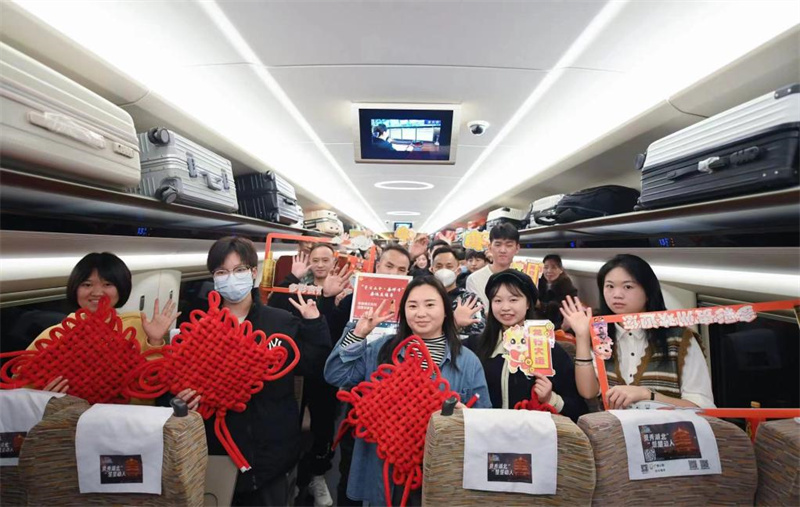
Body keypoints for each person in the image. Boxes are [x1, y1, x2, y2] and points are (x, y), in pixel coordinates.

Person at [175, 237, 332, 506]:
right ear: (214, 279)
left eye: (239, 270)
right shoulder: (199, 326)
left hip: (272, 449)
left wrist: (315, 324)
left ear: (253, 273)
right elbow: (180, 379)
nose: (230, 278)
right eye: (222, 272)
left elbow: (313, 366)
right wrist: (182, 399)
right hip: (217, 448)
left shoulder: (280, 322)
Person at [324, 276, 491, 506]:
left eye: (430, 304)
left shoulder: (468, 362)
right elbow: (336, 375)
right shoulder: (381, 349)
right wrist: (358, 334)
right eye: (412, 306)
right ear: (403, 312)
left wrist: (466, 418)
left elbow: (484, 420)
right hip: (384, 464)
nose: (421, 313)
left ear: (446, 311)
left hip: (437, 468)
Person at [561, 254, 715, 409]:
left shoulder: (680, 339)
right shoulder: (601, 335)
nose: (617, 295)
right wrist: (582, 336)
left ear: (647, 292)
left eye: (628, 287)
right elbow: (588, 392)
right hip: (616, 424)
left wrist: (648, 395)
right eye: (610, 286)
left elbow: (702, 407)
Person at [33, 252, 177, 398]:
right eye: (87, 284)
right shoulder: (55, 335)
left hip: (131, 410)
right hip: (72, 411)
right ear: (75, 288)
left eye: (107, 284)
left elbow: (155, 383)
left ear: (121, 288)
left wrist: (155, 341)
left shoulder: (140, 327)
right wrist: (40, 396)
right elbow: (24, 387)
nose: (97, 293)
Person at [267, 242, 341, 507]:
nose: (320, 265)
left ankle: (318, 475)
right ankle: (291, 476)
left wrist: (329, 298)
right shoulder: (298, 286)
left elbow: (335, 329)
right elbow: (274, 308)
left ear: (334, 263)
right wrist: (292, 277)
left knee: (323, 425)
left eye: (325, 260)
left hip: (327, 370)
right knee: (289, 423)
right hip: (297, 367)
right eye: (315, 260)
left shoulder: (343, 290)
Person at [466, 270, 587, 421]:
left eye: (513, 300)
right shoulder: (474, 345)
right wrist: (454, 325)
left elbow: (579, 409)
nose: (505, 307)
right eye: (497, 300)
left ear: (528, 303)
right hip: (485, 430)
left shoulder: (550, 350)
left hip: (533, 432)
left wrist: (551, 399)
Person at [429, 246, 485, 339]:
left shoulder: (469, 300)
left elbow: (479, 335)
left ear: (458, 270)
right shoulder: (424, 298)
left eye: (449, 266)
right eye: (439, 267)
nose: (444, 270)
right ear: (432, 270)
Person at [466, 223, 521, 308]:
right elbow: (478, 312)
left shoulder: (523, 278)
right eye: (498, 245)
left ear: (517, 248)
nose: (503, 250)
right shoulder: (474, 280)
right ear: (490, 247)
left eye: (509, 245)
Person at [537, 254, 578, 329]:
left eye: (553, 267)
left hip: (558, 324)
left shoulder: (567, 288)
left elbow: (560, 310)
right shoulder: (538, 282)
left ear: (561, 270)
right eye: (546, 267)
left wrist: (541, 305)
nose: (549, 271)